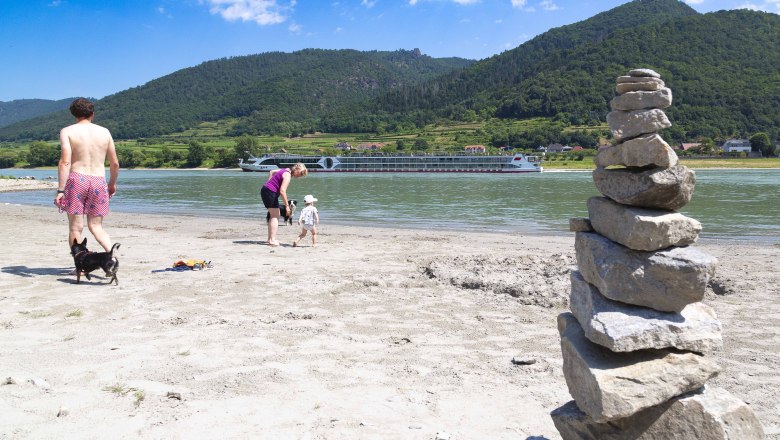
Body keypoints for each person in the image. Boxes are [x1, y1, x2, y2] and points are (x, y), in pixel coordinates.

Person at [54, 98, 120, 253]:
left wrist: (60, 191)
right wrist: (112, 184)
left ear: (74, 114)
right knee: (96, 226)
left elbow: (65, 162)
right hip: (98, 181)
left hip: (77, 179)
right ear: (92, 113)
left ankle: (81, 267)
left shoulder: (67, 131)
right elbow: (114, 163)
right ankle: (111, 256)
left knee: (76, 228)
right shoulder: (105, 132)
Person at [261, 162, 307, 246]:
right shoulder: (287, 175)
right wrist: (287, 206)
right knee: (276, 215)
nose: (300, 176)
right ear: (296, 169)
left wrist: (268, 183)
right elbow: (282, 191)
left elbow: (271, 171)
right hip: (270, 192)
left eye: (302, 175)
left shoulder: (285, 170)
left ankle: (269, 239)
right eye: (301, 174)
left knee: (273, 215)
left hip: (266, 190)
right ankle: (272, 240)